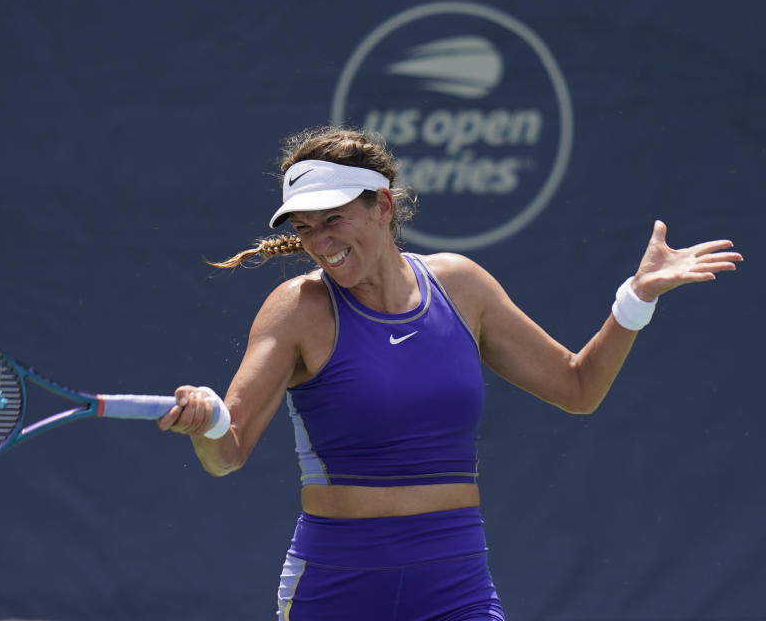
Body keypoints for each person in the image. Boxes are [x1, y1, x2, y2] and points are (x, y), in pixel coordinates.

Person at [156, 126, 742, 620]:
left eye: (332, 220)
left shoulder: (462, 286)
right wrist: (207, 424)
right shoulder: (296, 309)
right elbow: (227, 453)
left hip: (456, 585)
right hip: (335, 589)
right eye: (305, 228)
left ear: (381, 206)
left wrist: (635, 301)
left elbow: (578, 387)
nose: (319, 243)